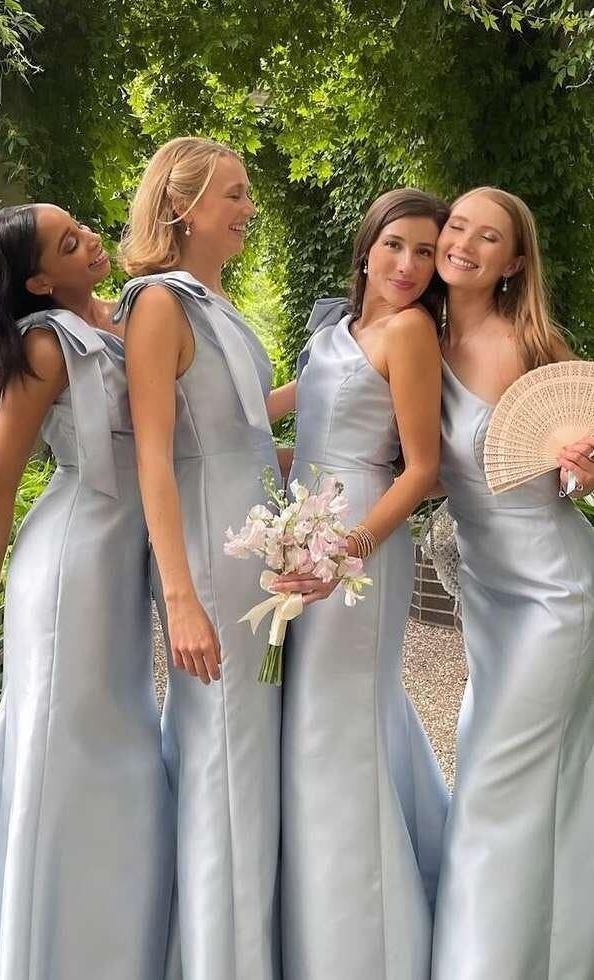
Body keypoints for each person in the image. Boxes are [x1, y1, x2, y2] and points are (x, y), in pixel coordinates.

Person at [0, 204, 176, 980]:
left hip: (123, 560)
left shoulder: (132, 313)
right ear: (39, 281)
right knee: (66, 753)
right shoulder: (46, 344)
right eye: (69, 244)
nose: (92, 241)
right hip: (72, 563)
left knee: (123, 748)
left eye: (82, 228)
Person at [114, 136, 293, 980]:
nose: (249, 208)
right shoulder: (158, 304)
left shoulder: (216, 303)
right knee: (224, 755)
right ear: (181, 207)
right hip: (211, 564)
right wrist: (180, 597)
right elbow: (154, 456)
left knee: (244, 759)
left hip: (255, 549)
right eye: (234, 193)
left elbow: (247, 430)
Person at [273, 189, 450, 979]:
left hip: (359, 550)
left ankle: (362, 946)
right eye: (395, 245)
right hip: (301, 530)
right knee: (310, 721)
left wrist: (343, 551)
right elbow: (267, 423)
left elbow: (421, 467)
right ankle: (310, 922)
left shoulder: (410, 333)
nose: (407, 265)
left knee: (335, 725)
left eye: (425, 252)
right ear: (367, 246)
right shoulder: (332, 332)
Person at [431, 186, 594, 980]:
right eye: (456, 226)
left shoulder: (534, 344)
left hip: (555, 592)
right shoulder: (417, 341)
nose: (463, 243)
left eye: (486, 236)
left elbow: (581, 469)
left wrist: (582, 469)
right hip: (487, 594)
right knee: (515, 770)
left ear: (512, 262)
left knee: (496, 778)